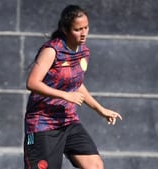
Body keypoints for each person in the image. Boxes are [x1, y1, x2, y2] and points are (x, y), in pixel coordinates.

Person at [24, 5, 122, 169]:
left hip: (68, 120)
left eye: (86, 28)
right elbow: (32, 83)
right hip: (42, 124)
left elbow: (76, 84)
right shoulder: (52, 50)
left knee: (95, 166)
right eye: (78, 29)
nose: (83, 33)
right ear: (65, 29)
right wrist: (65, 95)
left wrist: (100, 109)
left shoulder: (83, 52)